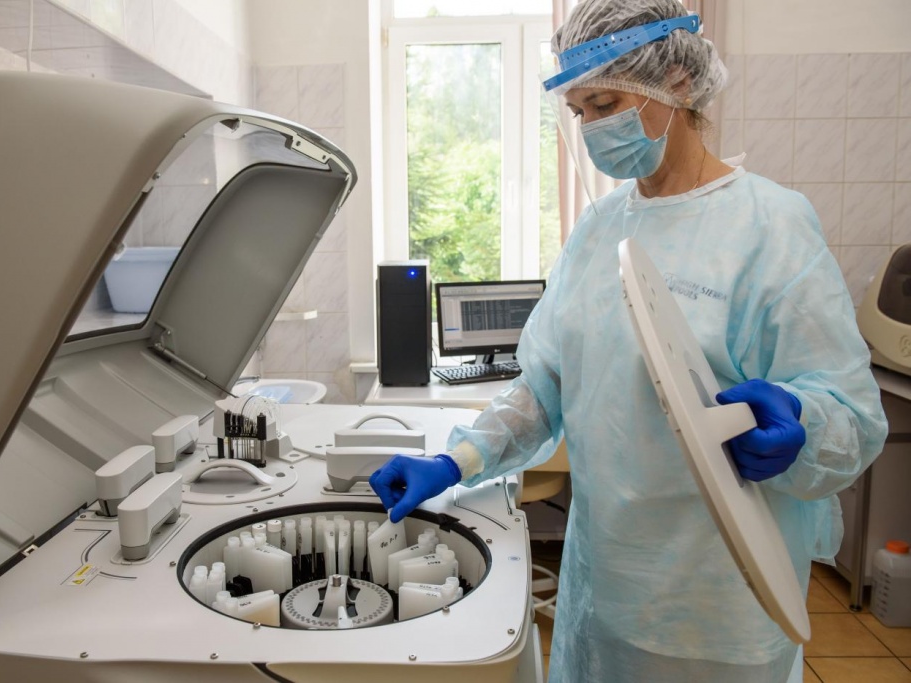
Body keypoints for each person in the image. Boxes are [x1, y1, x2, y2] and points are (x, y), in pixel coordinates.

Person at [369, 1, 889, 681]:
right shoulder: (598, 231)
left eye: (605, 103)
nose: (591, 127)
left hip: (719, 606)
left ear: (677, 81)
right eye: (579, 110)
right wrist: (457, 459)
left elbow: (852, 416)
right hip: (607, 585)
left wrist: (802, 423)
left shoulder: (771, 226)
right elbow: (544, 388)